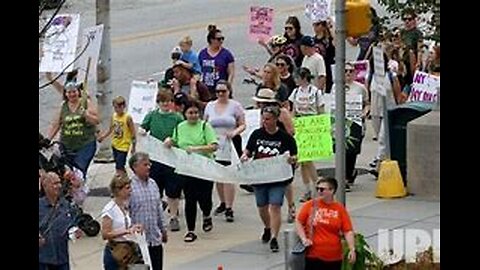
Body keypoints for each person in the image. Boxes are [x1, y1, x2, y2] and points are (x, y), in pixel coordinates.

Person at [241, 105, 298, 252]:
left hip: (278, 178)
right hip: (260, 177)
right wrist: (245, 155)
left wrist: (292, 159)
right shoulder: (257, 134)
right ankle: (267, 226)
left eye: (268, 119)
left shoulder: (285, 137)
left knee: (275, 206)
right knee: (262, 206)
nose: (265, 122)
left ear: (276, 119)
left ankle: (274, 236)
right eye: (263, 119)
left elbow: (295, 155)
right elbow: (249, 150)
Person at [164, 101, 218, 242]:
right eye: (190, 113)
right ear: (185, 114)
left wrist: (196, 149)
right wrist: (169, 141)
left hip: (204, 169)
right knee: (190, 199)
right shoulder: (180, 127)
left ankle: (207, 215)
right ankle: (191, 230)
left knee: (205, 198)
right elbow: (175, 141)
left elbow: (213, 146)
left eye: (195, 113)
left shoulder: (205, 126)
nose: (193, 115)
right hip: (187, 169)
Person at [139, 90, 184, 232]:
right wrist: (142, 131)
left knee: (173, 190)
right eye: (162, 101)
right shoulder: (152, 116)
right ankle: (156, 216)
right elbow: (143, 127)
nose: (165, 104)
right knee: (155, 188)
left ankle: (173, 216)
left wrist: (173, 140)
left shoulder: (177, 118)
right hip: (155, 159)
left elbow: (183, 134)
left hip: (172, 159)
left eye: (168, 101)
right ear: (158, 103)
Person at [204, 80, 246, 222]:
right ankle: (222, 202)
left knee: (228, 175)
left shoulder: (235, 106)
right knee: (218, 175)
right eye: (218, 92)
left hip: (230, 142)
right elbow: (205, 124)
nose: (221, 94)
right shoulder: (210, 106)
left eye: (223, 91)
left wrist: (234, 132)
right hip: (215, 143)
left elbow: (243, 124)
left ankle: (229, 206)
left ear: (229, 91)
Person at [295, 177, 356, 270]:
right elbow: (299, 221)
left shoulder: (339, 209)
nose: (319, 191)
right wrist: (304, 239)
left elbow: (347, 230)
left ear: (332, 190)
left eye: (322, 189)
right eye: (317, 189)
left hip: (334, 257)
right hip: (313, 255)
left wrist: (352, 249)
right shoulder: (310, 205)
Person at [48, 81, 99, 179]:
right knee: (67, 172)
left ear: (78, 92)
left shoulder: (85, 103)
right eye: (69, 92)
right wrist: (48, 139)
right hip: (66, 146)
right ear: (66, 94)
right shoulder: (63, 106)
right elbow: (56, 124)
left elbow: (96, 121)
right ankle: (70, 191)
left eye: (74, 91)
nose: (72, 94)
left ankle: (79, 190)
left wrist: (86, 115)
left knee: (78, 171)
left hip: (85, 145)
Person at [331, 63, 370, 191]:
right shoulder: (336, 86)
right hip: (339, 123)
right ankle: (344, 176)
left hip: (355, 123)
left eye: (351, 71)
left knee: (352, 152)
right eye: (345, 71)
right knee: (340, 151)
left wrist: (364, 113)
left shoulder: (361, 88)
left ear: (355, 73)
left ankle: (348, 174)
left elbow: (367, 103)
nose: (348, 73)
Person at [289, 67, 325, 202]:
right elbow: (293, 110)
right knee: (303, 160)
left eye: (297, 77)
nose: (295, 80)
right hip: (300, 125)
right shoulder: (295, 92)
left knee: (307, 159)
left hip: (312, 125)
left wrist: (322, 126)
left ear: (303, 78)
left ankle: (316, 187)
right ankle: (309, 189)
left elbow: (321, 109)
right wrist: (292, 125)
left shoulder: (315, 92)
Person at [128, 152, 168, 270]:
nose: (149, 167)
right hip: (138, 242)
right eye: (145, 164)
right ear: (135, 167)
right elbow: (126, 213)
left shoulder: (153, 184)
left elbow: (158, 209)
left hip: (154, 239)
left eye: (149, 164)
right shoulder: (129, 187)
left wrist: (163, 230)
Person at [39, 172, 83, 270]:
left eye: (59, 183)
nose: (58, 186)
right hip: (42, 260)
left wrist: (75, 231)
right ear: (45, 186)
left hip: (62, 259)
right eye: (54, 183)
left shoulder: (65, 205)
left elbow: (71, 225)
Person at [101, 174, 144, 270]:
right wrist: (126, 231)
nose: (130, 191)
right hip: (116, 251)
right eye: (127, 188)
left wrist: (135, 227)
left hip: (128, 249)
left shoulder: (124, 206)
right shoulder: (109, 209)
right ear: (118, 190)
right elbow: (105, 234)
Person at [97, 96, 136, 175]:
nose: (116, 110)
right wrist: (103, 137)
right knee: (119, 166)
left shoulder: (127, 118)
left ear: (123, 107)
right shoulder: (114, 116)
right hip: (115, 144)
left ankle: (121, 180)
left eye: (118, 107)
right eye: (115, 107)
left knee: (119, 166)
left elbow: (133, 133)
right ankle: (124, 178)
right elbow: (111, 129)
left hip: (123, 146)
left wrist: (133, 147)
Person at [198, 24, 235, 98]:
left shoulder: (227, 54)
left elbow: (231, 72)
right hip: (207, 89)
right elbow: (199, 70)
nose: (221, 41)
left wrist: (228, 86)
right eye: (218, 39)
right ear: (211, 40)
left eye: (222, 39)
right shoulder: (202, 53)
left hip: (221, 89)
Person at [312, 20, 335, 93]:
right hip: (317, 67)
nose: (315, 27)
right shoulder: (313, 40)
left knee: (329, 88)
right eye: (314, 25)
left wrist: (330, 28)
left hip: (328, 67)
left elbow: (337, 43)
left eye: (318, 25)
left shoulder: (329, 39)